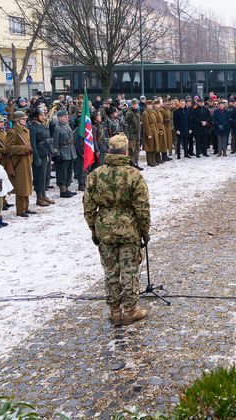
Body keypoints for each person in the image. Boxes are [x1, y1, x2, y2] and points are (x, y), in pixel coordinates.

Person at [84, 134, 151, 326]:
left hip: (105, 229)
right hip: (129, 229)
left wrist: (94, 229)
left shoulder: (96, 174)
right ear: (126, 152)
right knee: (129, 271)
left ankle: (114, 311)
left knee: (111, 271)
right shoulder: (134, 175)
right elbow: (142, 208)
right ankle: (129, 311)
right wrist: (145, 231)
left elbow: (88, 207)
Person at [7, 111, 36, 215]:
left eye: (25, 119)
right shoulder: (13, 132)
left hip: (27, 159)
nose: (25, 120)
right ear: (17, 121)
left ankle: (26, 207)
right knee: (21, 186)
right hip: (19, 161)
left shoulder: (25, 130)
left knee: (27, 185)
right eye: (22, 119)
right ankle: (20, 209)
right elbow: (9, 148)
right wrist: (24, 149)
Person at [54, 111, 77, 197]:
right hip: (63, 152)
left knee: (69, 171)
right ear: (59, 117)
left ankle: (67, 188)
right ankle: (63, 190)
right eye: (64, 117)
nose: (66, 118)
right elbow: (55, 142)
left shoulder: (67, 125)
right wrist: (56, 153)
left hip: (70, 151)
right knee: (62, 172)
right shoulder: (57, 128)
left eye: (67, 116)